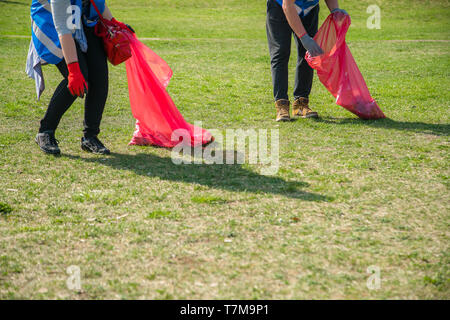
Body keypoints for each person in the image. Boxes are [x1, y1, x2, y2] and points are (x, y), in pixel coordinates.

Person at [27, 0, 132, 155]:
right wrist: (73, 70)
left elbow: (97, 4)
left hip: (83, 23)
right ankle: (45, 131)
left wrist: (114, 23)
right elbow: (62, 28)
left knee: (100, 77)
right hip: (52, 25)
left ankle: (90, 137)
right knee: (80, 76)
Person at [266, 0, 348, 121]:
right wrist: (304, 37)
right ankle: (281, 105)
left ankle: (301, 104)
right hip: (280, 6)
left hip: (309, 10)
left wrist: (335, 10)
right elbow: (287, 5)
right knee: (281, 52)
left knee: (309, 54)